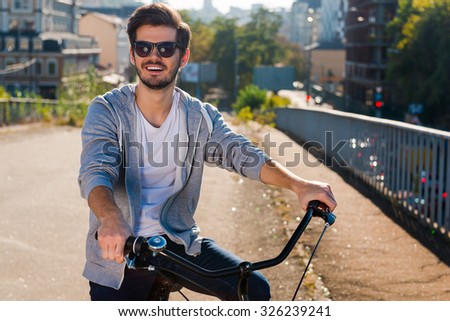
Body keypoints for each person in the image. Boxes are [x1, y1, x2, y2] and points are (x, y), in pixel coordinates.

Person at [78, 3, 337, 301]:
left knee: (252, 290)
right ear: (133, 53)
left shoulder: (198, 117)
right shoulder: (107, 110)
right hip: (121, 251)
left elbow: (238, 152)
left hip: (176, 244)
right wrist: (110, 218)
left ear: (183, 56)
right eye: (144, 47)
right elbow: (96, 170)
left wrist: (299, 185)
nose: (154, 56)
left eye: (165, 48)